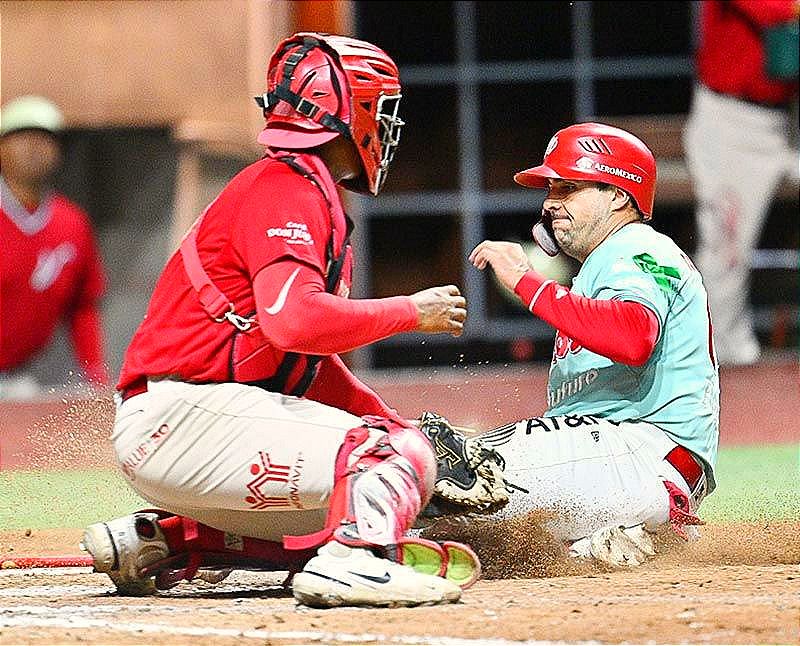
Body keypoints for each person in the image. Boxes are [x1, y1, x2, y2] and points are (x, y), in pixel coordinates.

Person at [81, 33, 508, 608]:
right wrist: (412, 312)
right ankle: (351, 561)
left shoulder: (301, 191)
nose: (386, 127)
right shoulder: (286, 187)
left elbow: (304, 366)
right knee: (384, 461)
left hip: (192, 427)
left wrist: (399, 429)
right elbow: (295, 323)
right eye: (380, 110)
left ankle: (169, 542)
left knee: (386, 471)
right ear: (346, 111)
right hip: (185, 418)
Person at [467, 122, 719, 567]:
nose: (550, 203)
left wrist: (528, 283)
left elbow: (632, 336)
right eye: (550, 189)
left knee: (452, 469)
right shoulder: (599, 268)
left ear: (619, 195)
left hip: (639, 455)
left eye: (568, 188)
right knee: (486, 536)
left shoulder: (637, 248)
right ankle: (605, 541)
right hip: (621, 462)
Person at [683, 0, 800, 366]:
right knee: (725, 252)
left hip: (788, 120)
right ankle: (723, 367)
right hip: (730, 122)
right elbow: (778, 9)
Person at [0, 95, 109, 396]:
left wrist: (94, 375)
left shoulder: (71, 223)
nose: (34, 147)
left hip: (20, 376)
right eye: (22, 137)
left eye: (45, 138)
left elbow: (83, 306)